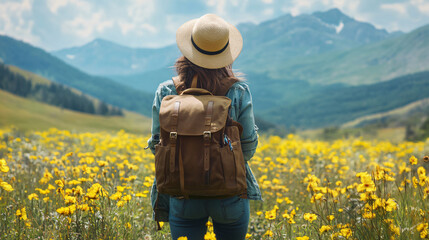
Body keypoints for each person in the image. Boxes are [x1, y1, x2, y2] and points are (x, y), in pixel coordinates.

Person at [147, 13, 261, 240]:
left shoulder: (166, 91)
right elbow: (247, 149)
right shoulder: (238, 92)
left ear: (188, 50)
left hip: (182, 193)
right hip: (229, 194)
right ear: (226, 54)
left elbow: (156, 146)